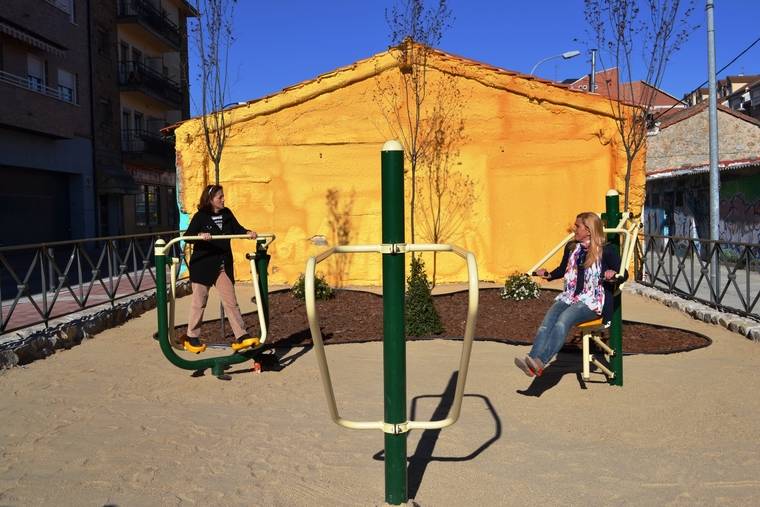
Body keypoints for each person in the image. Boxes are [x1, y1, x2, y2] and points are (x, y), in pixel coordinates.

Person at [514, 212, 624, 377]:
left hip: (593, 300)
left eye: (577, 226)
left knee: (563, 321)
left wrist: (611, 273)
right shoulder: (572, 248)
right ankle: (532, 361)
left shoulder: (607, 251)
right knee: (546, 322)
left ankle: (540, 362)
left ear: (589, 230)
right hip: (571, 296)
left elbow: (624, 274)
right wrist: (548, 274)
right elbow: (562, 269)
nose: (574, 229)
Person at [183, 184, 258, 353]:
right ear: (210, 200)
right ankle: (192, 336)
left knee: (231, 302)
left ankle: (241, 335)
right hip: (203, 265)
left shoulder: (227, 213)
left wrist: (247, 232)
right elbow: (188, 237)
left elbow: (237, 229)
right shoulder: (200, 217)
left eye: (223, 196)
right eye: (220, 197)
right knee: (199, 302)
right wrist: (200, 236)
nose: (224, 199)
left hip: (223, 265)